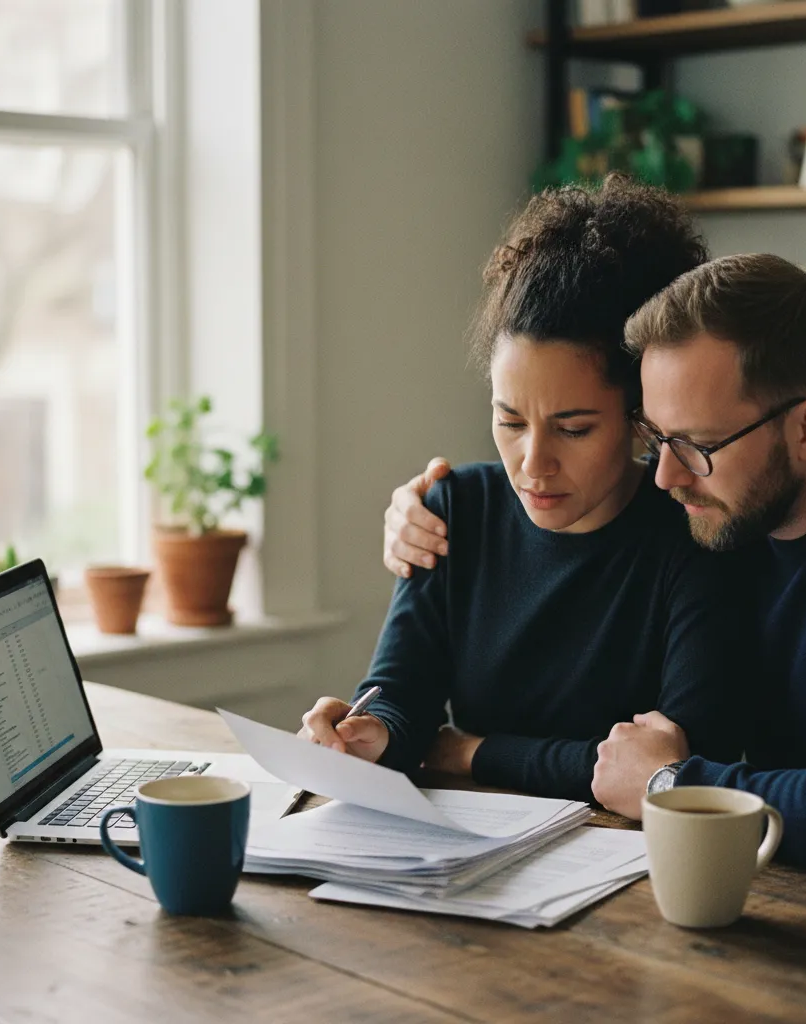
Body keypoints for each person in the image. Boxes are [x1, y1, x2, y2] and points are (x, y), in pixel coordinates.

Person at [385, 252, 806, 883]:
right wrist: (416, 512)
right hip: (795, 896)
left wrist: (670, 783)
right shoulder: (738, 515)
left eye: (695, 445)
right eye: (656, 438)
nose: (665, 475)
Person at [299, 175, 748, 803]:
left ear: (640, 417)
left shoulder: (693, 539)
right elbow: (402, 696)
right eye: (510, 421)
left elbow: (681, 767)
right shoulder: (455, 509)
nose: (533, 464)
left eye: (574, 428)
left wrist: (468, 750)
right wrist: (371, 734)